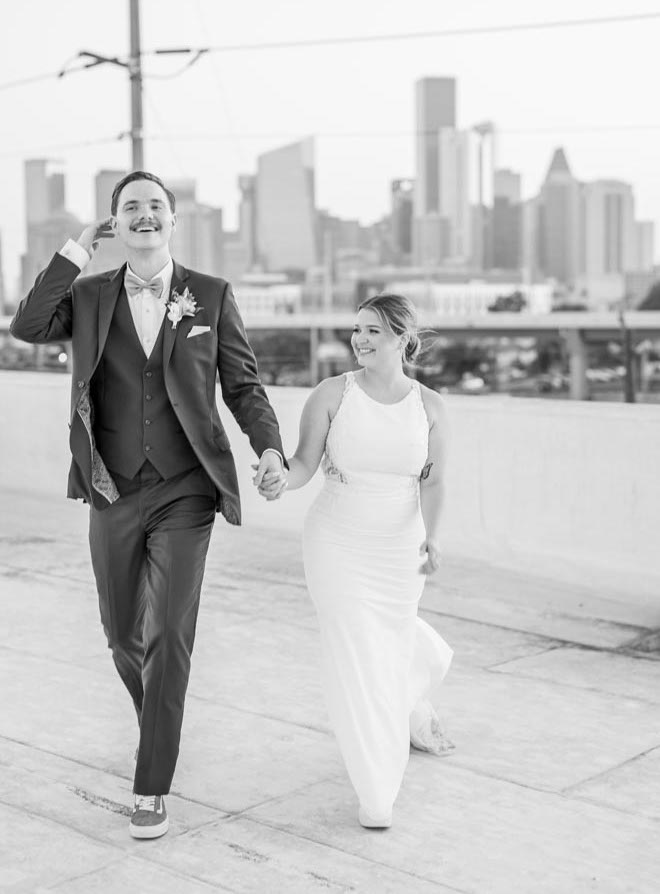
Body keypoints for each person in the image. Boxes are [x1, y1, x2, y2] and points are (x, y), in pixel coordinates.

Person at [10, 171, 287, 840]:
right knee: (120, 634)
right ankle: (160, 721)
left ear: (173, 220)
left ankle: (151, 782)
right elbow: (27, 326)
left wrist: (270, 449)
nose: (144, 215)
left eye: (155, 206)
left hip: (186, 489)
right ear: (114, 223)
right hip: (110, 486)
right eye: (130, 207)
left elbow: (243, 385)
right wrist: (76, 250)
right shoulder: (89, 293)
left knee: (168, 633)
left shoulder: (210, 296)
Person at [260, 293, 453, 829]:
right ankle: (377, 789)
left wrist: (433, 537)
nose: (360, 340)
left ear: (402, 339)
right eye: (357, 329)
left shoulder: (430, 406)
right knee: (355, 656)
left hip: (399, 546)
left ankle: (412, 697)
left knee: (388, 647)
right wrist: (279, 477)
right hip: (337, 541)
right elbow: (303, 464)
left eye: (373, 330)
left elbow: (433, 481)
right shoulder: (331, 394)